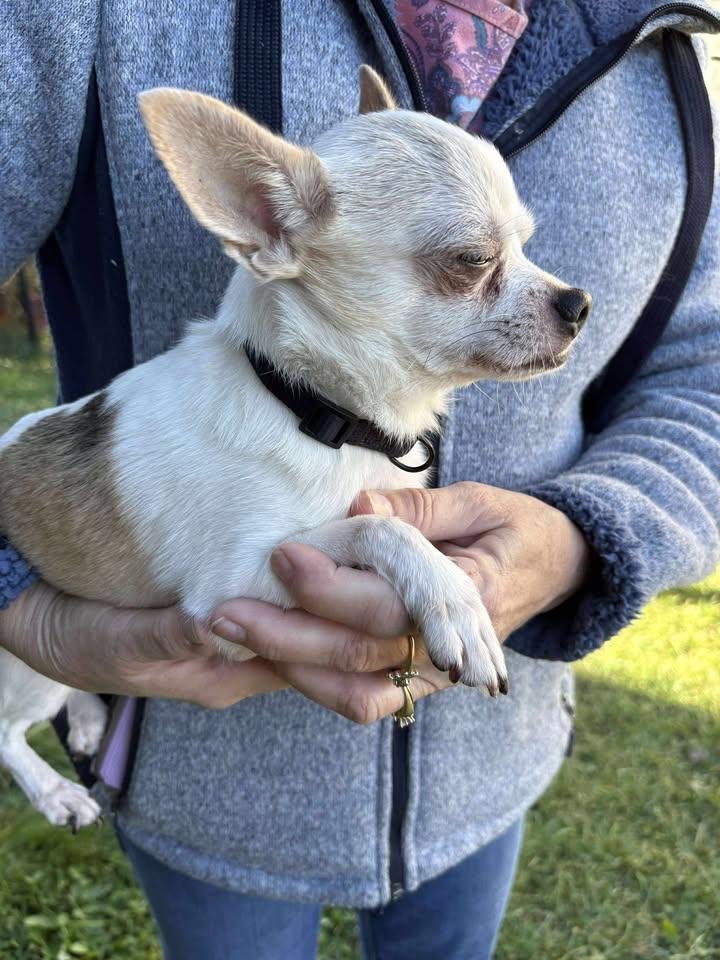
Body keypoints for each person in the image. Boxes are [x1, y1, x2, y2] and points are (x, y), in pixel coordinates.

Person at [2, 1, 719, 957]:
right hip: (210, 802)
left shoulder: (658, 41)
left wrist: (586, 539)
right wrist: (16, 596)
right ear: (267, 219)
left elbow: (706, 371)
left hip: (493, 758)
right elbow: (251, 571)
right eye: (471, 264)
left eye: (513, 249)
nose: (552, 294)